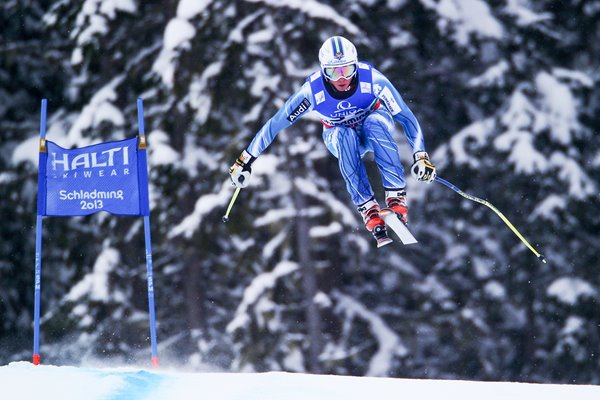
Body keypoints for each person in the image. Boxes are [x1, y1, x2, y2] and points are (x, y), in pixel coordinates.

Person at [229, 36, 436, 247]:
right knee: (344, 134)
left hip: (374, 127)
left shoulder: (373, 81)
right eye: (333, 72)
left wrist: (421, 157)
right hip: (339, 136)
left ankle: (396, 197)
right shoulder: (312, 92)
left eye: (346, 70)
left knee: (374, 122)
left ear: (355, 66)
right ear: (323, 71)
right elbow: (274, 125)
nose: (341, 78)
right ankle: (367, 207)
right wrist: (244, 161)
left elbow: (406, 117)